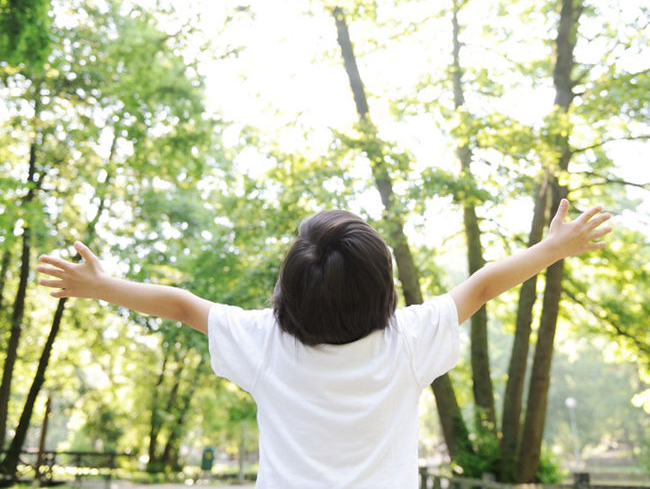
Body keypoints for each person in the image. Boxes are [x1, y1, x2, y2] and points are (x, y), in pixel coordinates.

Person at [37, 199, 611, 488]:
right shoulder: (407, 341)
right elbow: (483, 285)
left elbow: (183, 304)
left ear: (287, 289)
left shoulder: (263, 342)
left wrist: (102, 285)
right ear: (385, 291)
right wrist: (554, 247)